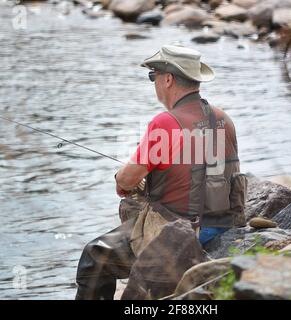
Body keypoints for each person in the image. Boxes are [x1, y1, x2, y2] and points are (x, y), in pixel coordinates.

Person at [75, 44, 246, 300]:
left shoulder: (165, 123)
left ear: (168, 79)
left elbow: (126, 180)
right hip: (223, 225)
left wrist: (123, 180)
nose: (153, 82)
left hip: (179, 236)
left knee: (94, 256)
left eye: (152, 76)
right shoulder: (223, 118)